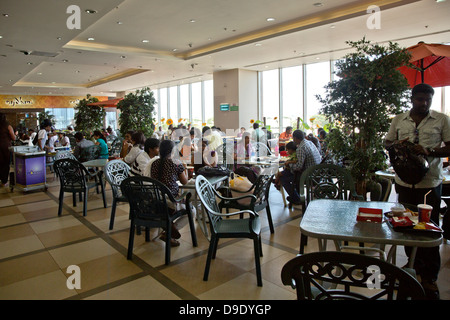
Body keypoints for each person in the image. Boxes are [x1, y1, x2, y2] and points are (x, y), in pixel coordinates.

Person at [384, 83, 450, 300]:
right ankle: (412, 264)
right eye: (420, 99)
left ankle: (429, 275)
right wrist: (399, 146)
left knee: (429, 227)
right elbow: (387, 143)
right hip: (404, 181)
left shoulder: (441, 119)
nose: (424, 103)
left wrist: (429, 150)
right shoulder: (398, 120)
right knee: (405, 224)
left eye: (427, 100)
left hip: (428, 183)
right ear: (412, 99)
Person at [150, 140, 189, 246]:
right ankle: (169, 233)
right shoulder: (176, 163)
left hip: (156, 201)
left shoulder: (154, 163)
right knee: (192, 211)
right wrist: (184, 168)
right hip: (171, 202)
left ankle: (168, 231)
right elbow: (184, 182)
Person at [279, 129, 321, 206]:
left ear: (295, 138)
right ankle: (295, 195)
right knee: (286, 173)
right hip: (317, 172)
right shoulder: (309, 143)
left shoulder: (301, 148)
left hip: (308, 175)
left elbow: (298, 167)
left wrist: (289, 164)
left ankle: (296, 198)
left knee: (283, 178)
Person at [0, 113, 16, 191]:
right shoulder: (8, 126)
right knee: (5, 164)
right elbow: (13, 137)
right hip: (5, 147)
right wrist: (15, 135)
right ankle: (4, 181)